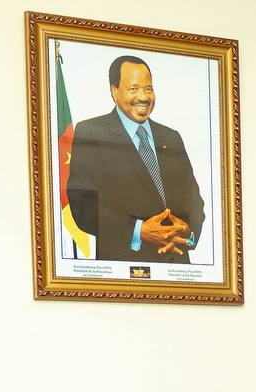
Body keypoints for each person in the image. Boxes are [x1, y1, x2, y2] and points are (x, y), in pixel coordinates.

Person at [66, 55, 205, 263]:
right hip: (124, 267)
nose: (143, 97)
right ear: (114, 91)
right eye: (133, 89)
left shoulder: (171, 137)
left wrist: (186, 232)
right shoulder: (92, 132)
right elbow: (83, 207)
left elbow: (193, 201)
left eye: (148, 89)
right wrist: (139, 230)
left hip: (176, 267)